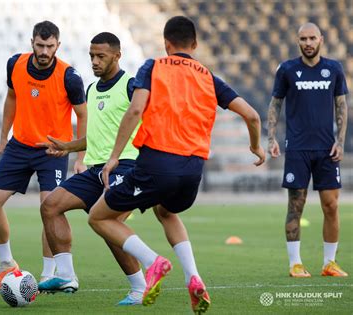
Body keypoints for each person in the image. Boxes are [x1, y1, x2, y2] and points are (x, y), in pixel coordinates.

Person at [87, 16, 265, 313]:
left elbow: (135, 111)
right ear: (194, 45)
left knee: (99, 217)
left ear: (166, 43)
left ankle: (153, 262)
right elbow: (252, 116)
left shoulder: (153, 66)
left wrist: (115, 156)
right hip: (193, 170)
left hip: (157, 162)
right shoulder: (208, 76)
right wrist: (256, 145)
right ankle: (193, 277)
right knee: (166, 210)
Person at [36, 32, 146, 305]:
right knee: (50, 206)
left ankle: (140, 287)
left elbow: (146, 123)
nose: (94, 62)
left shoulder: (132, 86)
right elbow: (96, 137)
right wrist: (68, 146)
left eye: (101, 56)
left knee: (107, 225)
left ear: (117, 56)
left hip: (126, 168)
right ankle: (66, 275)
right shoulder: (92, 89)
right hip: (95, 170)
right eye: (91, 56)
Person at [0, 21, 87, 291]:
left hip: (52, 149)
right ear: (32, 42)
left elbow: (83, 114)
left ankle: (49, 274)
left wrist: (78, 153)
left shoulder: (69, 76)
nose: (44, 51)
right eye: (40, 45)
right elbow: (12, 98)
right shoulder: (15, 64)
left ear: (57, 46)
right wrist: (3, 135)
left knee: (49, 207)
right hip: (19, 145)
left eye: (49, 46)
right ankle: (6, 263)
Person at [267, 22, 349, 278]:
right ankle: (295, 264)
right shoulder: (288, 69)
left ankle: (329, 263)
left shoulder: (333, 68)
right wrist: (271, 138)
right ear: (297, 41)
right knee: (295, 206)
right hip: (297, 149)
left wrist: (341, 142)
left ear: (321, 39)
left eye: (312, 38)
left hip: (327, 149)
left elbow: (342, 106)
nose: (308, 43)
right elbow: (275, 104)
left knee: (331, 206)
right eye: (303, 39)